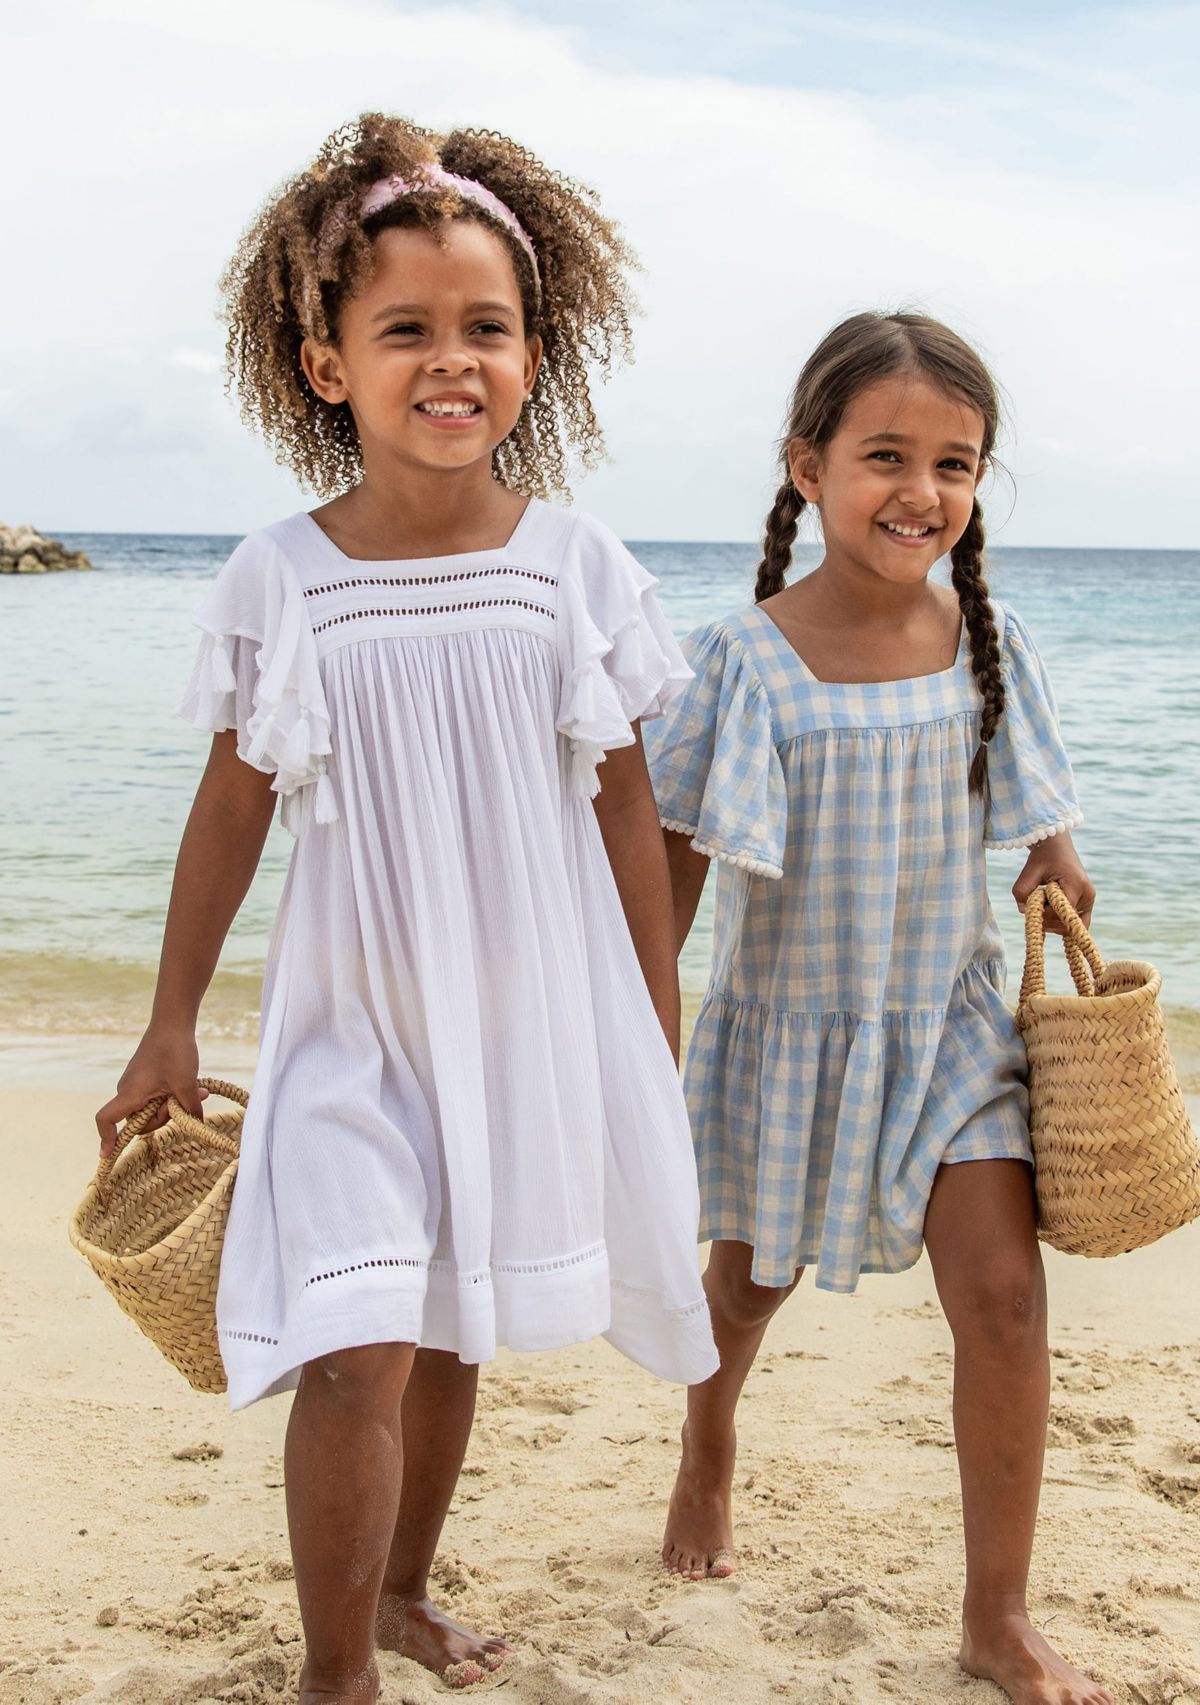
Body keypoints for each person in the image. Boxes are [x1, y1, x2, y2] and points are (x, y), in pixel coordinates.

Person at [95, 113, 717, 1703]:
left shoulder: (572, 566)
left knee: (448, 1329)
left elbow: (627, 807)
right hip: (349, 1025)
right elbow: (232, 805)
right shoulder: (283, 575)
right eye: (406, 330)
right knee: (357, 1339)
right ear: (327, 365)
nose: (453, 360)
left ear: (533, 356)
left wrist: (651, 1020)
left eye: (487, 327)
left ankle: (401, 1590)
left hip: (517, 1024)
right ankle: (335, 1675)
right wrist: (169, 1019)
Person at [646, 311, 1111, 1705]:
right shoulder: (740, 661)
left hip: (952, 1031)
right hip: (790, 1029)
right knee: (747, 1287)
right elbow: (670, 873)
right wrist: (639, 1030)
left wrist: (1059, 868)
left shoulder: (988, 640)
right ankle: (709, 1442)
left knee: (1006, 1300)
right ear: (808, 467)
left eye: (954, 464)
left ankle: (996, 1615)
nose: (922, 491)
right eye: (887, 456)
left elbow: (1046, 835)